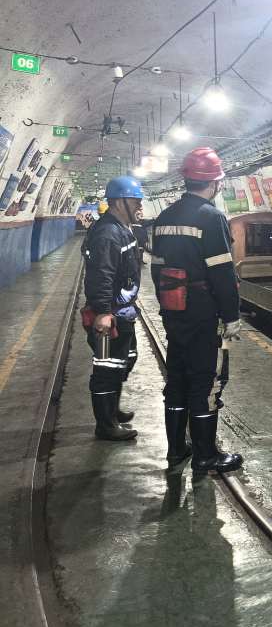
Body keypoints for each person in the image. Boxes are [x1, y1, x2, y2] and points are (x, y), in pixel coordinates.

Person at [151, 147, 243, 475]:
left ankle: (177, 450)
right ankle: (205, 456)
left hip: (173, 309)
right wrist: (231, 316)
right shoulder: (211, 217)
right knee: (206, 380)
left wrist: (169, 303)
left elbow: (156, 268)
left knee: (177, 377)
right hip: (203, 313)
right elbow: (222, 273)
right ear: (215, 183)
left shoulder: (164, 217)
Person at [82, 176, 144, 441]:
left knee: (124, 360)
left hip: (122, 313)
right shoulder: (108, 233)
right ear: (119, 202)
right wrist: (103, 312)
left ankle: (112, 411)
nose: (140, 205)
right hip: (109, 317)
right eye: (135, 200)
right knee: (106, 367)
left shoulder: (120, 228)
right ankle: (105, 425)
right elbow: (101, 275)